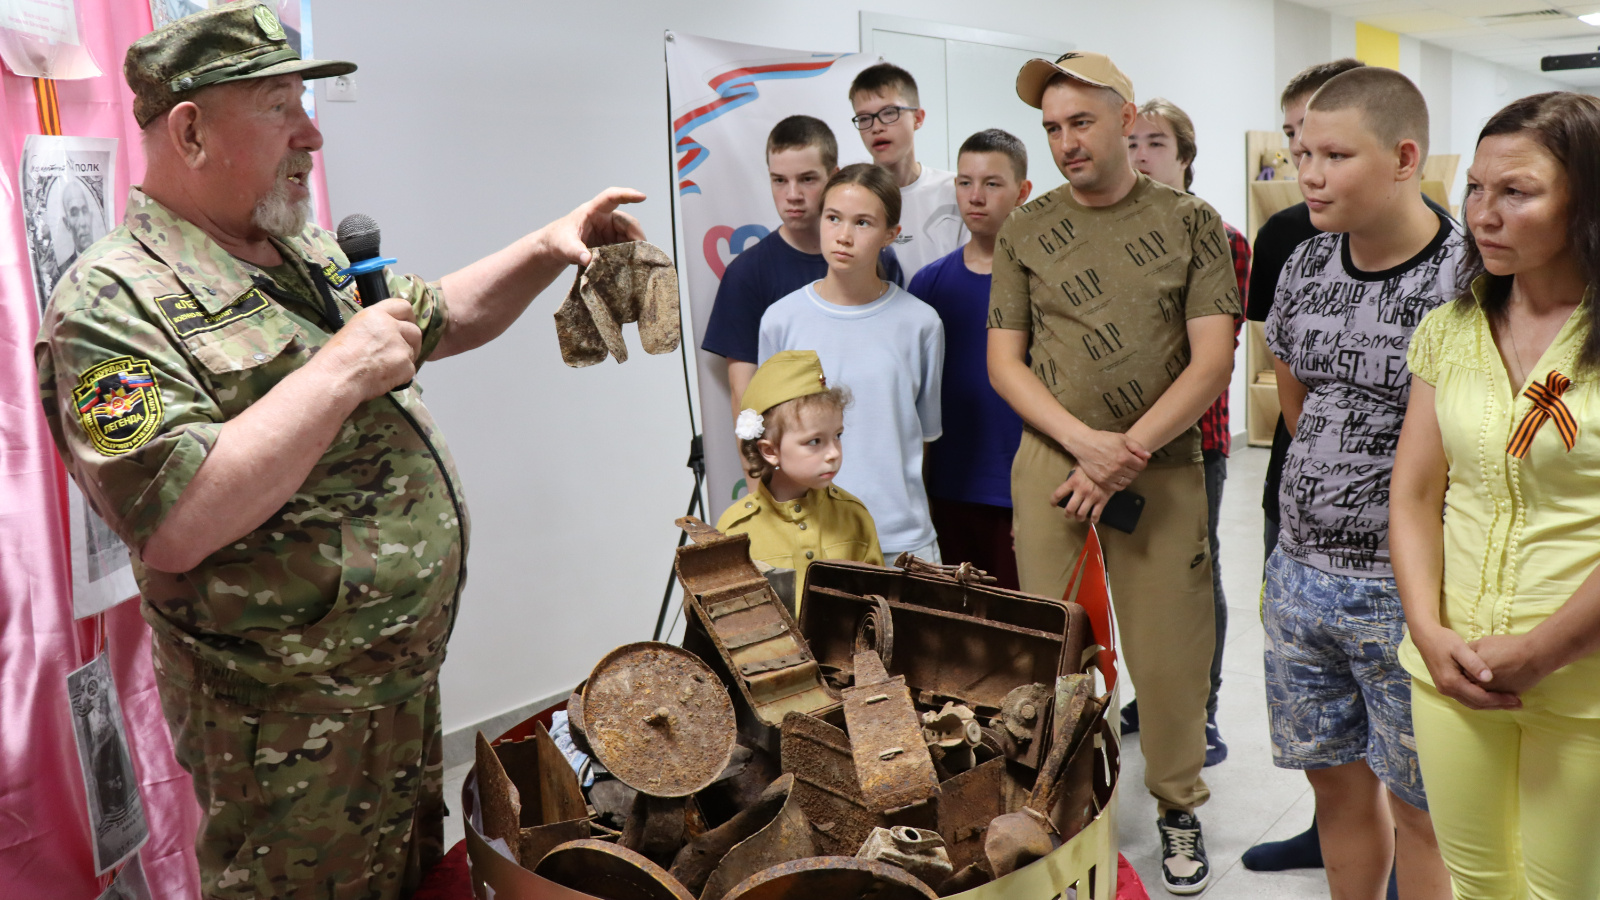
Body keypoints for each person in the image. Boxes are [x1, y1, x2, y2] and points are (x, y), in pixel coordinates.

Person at [34, 6, 646, 898]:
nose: (310, 135)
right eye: (280, 105)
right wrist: (338, 372)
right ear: (192, 129)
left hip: (392, 688)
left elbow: (433, 316)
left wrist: (550, 246)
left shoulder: (295, 245)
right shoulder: (110, 303)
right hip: (282, 725)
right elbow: (172, 524)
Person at [989, 51, 1238, 894]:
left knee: (1170, 651)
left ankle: (1176, 805)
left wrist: (1124, 449)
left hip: (1160, 465)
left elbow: (1211, 362)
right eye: (1052, 128)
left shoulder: (1192, 222)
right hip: (1054, 461)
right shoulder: (1025, 227)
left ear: (1126, 118)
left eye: (1080, 122)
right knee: (1051, 643)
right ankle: (1054, 794)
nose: (1064, 142)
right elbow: (1006, 363)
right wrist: (1084, 444)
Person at [1240, 57, 1453, 884]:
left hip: (1407, 587)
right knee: (1333, 783)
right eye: (1303, 154)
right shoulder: (1304, 262)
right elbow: (1295, 395)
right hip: (1301, 578)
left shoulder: (1465, 278)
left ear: (1405, 159)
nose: (1311, 175)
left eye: (1335, 156)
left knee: (1421, 805)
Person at [1392, 91, 1600, 900]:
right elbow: (1412, 495)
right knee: (1477, 882)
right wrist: (1428, 632)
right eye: (1475, 188)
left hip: (1581, 679)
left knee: (1564, 891)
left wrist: (1544, 648)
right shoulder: (1452, 327)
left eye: (1517, 192)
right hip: (1449, 665)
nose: (1484, 213)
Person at [1123, 96, 1251, 767]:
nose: (1139, 155)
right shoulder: (1108, 238)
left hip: (1194, 440)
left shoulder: (1221, 238)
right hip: (1119, 445)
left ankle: (1201, 710)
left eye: (1154, 143)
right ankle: (1152, 699)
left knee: (1197, 576)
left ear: (1185, 156)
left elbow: (1206, 353)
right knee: (1141, 575)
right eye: (1132, 143)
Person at [759, 164, 944, 561]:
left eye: (863, 222)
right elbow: (770, 437)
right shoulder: (780, 320)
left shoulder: (921, 323)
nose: (844, 236)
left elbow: (924, 439)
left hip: (903, 543)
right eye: (833, 218)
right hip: (810, 543)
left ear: (890, 235)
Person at [700, 115, 904, 423]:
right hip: (797, 457)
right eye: (779, 180)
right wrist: (757, 471)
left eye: (807, 179)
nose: (792, 195)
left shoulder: (878, 258)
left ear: (833, 177)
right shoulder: (746, 274)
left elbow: (900, 370)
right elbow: (746, 401)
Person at [910, 129, 1031, 589]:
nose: (975, 197)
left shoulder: (1044, 284)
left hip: (1018, 492)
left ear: (1023, 191)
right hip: (948, 490)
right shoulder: (928, 285)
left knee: (1028, 635)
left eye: (992, 184)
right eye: (964, 183)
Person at [718, 350, 883, 598]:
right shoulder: (735, 531)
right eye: (815, 441)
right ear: (770, 451)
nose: (833, 453)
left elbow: (877, 608)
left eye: (837, 436)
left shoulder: (855, 517)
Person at [848, 63, 968, 278]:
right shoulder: (849, 199)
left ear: (918, 118)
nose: (876, 127)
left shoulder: (956, 191)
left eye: (889, 113)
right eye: (865, 118)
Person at [57, 176, 99, 278]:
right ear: (67, 223)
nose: (83, 223)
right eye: (74, 213)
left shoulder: (107, 261)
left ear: (91, 216)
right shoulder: (62, 272)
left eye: (84, 211)